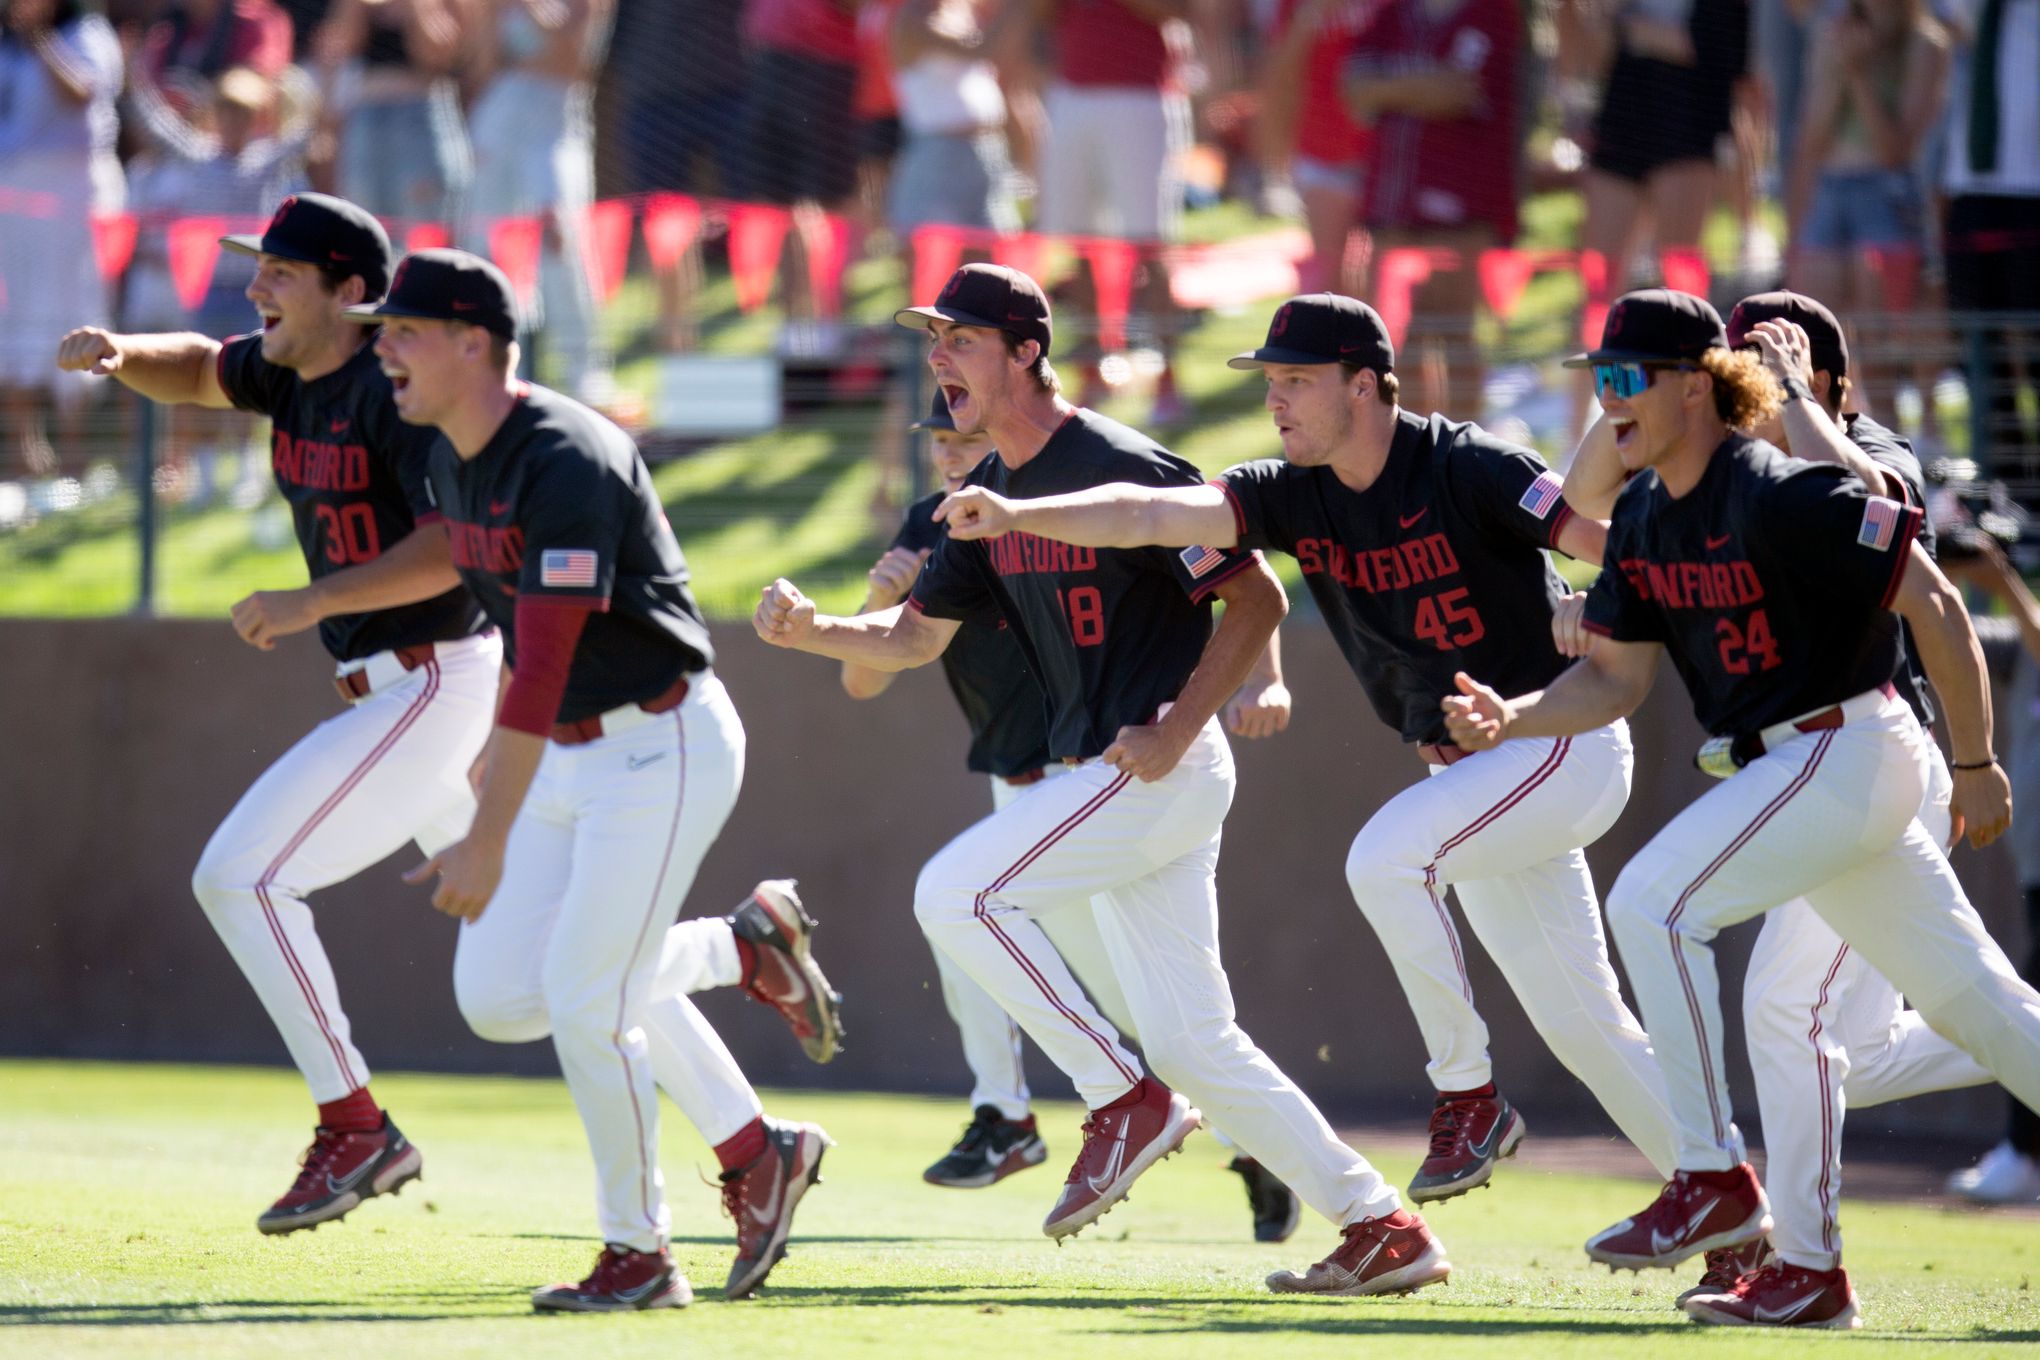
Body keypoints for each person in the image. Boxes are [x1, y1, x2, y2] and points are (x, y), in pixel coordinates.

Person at [756, 262, 1451, 1298]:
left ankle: (1120, 1098)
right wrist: (813, 630)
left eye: (961, 338)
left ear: (1028, 349)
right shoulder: (980, 488)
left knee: (954, 893)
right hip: (1115, 776)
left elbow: (1257, 599)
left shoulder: (1120, 460)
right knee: (1200, 1043)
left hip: (1153, 763)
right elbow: (911, 637)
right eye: (932, 338)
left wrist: (1179, 724)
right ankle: (1378, 1221)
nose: (938, 356)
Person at [932, 291, 1687, 1209]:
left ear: (1365, 385)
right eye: (1271, 381)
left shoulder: (1467, 463)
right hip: (1476, 776)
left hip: (1556, 745)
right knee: (1586, 1025)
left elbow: (1602, 540)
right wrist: (1021, 516)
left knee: (1384, 860)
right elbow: (1145, 516)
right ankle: (1725, 1197)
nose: (1276, 399)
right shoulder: (1288, 491)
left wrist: (1602, 598)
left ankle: (1468, 1098)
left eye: (1298, 379)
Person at [1443, 287, 2040, 1329]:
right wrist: (1519, 716)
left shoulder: (1780, 487)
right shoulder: (1641, 514)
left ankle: (1713, 1173)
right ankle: (1808, 1272)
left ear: (1694, 385)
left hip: (1849, 743)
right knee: (1977, 1011)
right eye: (1598, 377)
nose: (1607, 398)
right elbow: (1615, 682)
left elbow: (1936, 601)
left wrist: (1981, 760)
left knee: (1651, 904)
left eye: (1627, 379)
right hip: (1800, 768)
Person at [350, 247, 835, 1310]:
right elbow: (508, 624)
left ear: (475, 342)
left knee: (584, 994)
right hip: (572, 749)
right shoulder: (449, 453)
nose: (382, 346)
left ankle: (641, 1253)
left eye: (405, 329)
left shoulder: (566, 452)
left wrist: (486, 832)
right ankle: (734, 950)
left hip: (659, 749)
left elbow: (552, 649)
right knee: (499, 995)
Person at [54, 194, 499, 1236]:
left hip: (437, 680)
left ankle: (355, 1124)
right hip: (403, 689)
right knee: (542, 971)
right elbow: (202, 369)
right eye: (260, 265)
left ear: (353, 295)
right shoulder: (287, 369)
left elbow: (451, 547)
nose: (256, 285)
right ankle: (743, 1033)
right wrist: (122, 352)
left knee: (241, 876)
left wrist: (312, 601)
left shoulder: (397, 390)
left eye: (282, 273)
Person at [844, 391, 1301, 1241]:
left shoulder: (1082, 488)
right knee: (963, 933)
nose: (948, 453)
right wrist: (875, 594)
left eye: (964, 434)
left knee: (1139, 1007)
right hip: (1030, 779)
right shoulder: (936, 520)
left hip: (1100, 777)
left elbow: (1237, 579)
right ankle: (1005, 1115)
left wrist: (1262, 677)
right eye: (937, 436)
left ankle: (1247, 1141)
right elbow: (870, 672)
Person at [0, 0, 124, 478]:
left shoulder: (87, 35)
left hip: (75, 202)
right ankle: (25, 460)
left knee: (74, 316)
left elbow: (81, 92)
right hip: (15, 207)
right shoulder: (8, 49)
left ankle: (75, 457)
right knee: (17, 320)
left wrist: (40, 40)